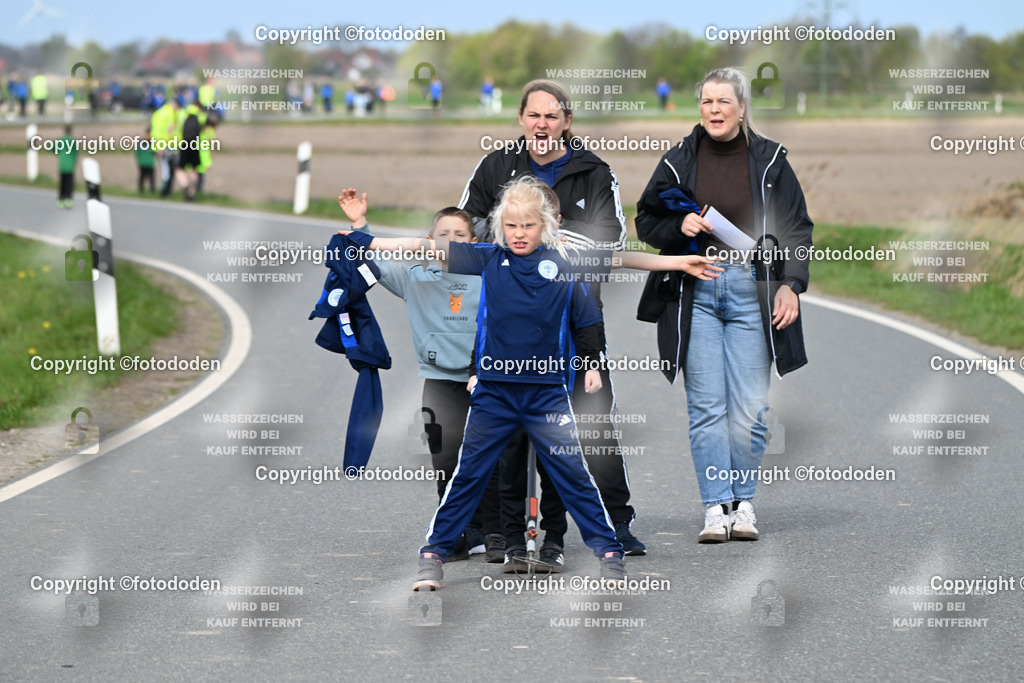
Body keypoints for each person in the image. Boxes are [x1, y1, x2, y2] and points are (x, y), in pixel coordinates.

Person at [353, 176, 719, 591]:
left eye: (527, 225)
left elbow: (621, 261)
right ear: (499, 227)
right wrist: (362, 241)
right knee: (468, 475)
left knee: (573, 477)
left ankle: (609, 552)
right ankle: (433, 554)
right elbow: (424, 248)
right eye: (511, 226)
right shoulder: (487, 258)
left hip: (546, 393)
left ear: (544, 225)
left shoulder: (565, 261)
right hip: (494, 392)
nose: (518, 234)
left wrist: (678, 262)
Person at [458, 79, 647, 568]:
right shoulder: (495, 167)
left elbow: (612, 241)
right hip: (507, 325)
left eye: (552, 116)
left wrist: (549, 246)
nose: (542, 124)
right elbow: (468, 227)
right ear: (521, 119)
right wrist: (514, 240)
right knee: (502, 432)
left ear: (567, 121)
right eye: (533, 115)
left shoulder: (594, 171)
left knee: (591, 420)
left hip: (575, 319)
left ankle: (616, 522)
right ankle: (492, 529)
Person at [635, 67, 813, 543]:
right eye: (707, 102)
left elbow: (797, 228)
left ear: (740, 107)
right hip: (695, 290)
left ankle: (745, 504)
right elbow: (646, 221)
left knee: (752, 407)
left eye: (723, 102)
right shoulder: (678, 160)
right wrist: (681, 229)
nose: (714, 110)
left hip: (752, 290)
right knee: (707, 407)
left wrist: (790, 285)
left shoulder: (772, 161)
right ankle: (716, 508)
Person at [337, 189, 503, 562]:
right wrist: (359, 223)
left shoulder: (490, 274)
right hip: (440, 380)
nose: (451, 242)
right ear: (430, 241)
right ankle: (456, 532)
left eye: (460, 236)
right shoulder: (415, 275)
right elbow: (370, 258)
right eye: (443, 235)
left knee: (487, 457)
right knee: (445, 460)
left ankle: (495, 533)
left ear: (474, 243)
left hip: (486, 380)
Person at [56, 125, 78, 209]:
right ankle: (68, 200)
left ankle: (61, 200)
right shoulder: (73, 141)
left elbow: (53, 148)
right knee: (69, 184)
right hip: (70, 165)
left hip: (62, 165)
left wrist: (58, 152)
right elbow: (76, 153)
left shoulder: (60, 140)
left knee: (62, 183)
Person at [136, 126, 156, 194]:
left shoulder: (153, 143)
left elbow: (155, 152)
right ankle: (141, 191)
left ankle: (152, 191)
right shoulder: (141, 143)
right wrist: (139, 160)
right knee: (142, 177)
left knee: (152, 178)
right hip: (143, 162)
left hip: (150, 163)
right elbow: (137, 152)